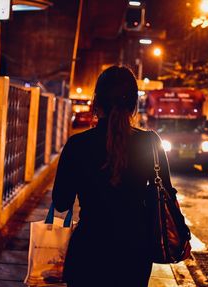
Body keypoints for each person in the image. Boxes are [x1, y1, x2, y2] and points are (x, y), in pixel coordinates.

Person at [52, 66, 173, 287]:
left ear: (96, 101)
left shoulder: (78, 145)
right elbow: (166, 196)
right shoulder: (151, 143)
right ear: (134, 104)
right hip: (134, 253)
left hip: (88, 251)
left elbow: (61, 202)